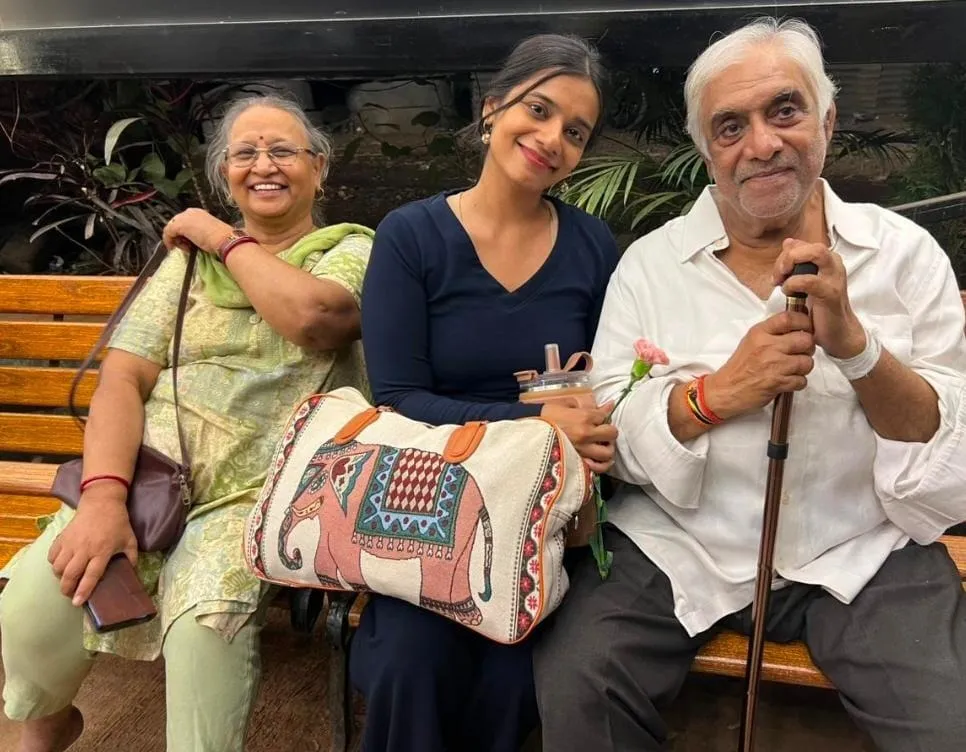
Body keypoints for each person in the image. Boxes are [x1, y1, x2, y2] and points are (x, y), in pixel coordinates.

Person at [534, 17, 966, 752]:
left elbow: (945, 438)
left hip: (861, 546)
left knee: (950, 726)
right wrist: (717, 394)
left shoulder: (903, 256)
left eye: (784, 111)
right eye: (729, 126)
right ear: (707, 153)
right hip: (679, 546)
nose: (760, 144)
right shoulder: (651, 264)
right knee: (581, 689)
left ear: (826, 120)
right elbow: (613, 423)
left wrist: (856, 348)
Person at [0, 94, 373, 752]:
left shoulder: (348, 252)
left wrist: (219, 236)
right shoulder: (185, 265)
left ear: (320, 168)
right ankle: (44, 729)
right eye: (244, 152)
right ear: (224, 171)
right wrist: (105, 495)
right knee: (32, 605)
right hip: (148, 481)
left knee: (209, 626)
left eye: (283, 150)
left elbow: (318, 320)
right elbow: (122, 376)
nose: (264, 164)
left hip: (256, 495)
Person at [352, 33, 620, 752]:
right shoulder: (411, 237)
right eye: (538, 109)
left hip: (535, 517)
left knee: (513, 673)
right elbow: (398, 399)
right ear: (493, 106)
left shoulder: (594, 248)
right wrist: (528, 415)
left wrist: (590, 420)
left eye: (575, 132)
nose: (551, 139)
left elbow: (601, 382)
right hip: (425, 509)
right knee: (412, 663)